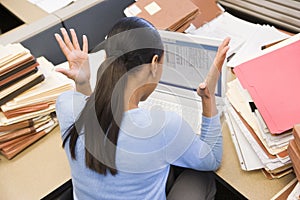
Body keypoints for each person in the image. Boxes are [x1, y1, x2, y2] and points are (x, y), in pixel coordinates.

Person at [54, 17, 230, 200]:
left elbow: (85, 104)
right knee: (201, 176)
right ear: (154, 64)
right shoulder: (162, 128)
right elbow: (212, 159)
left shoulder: (66, 106)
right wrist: (208, 97)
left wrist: (82, 81)